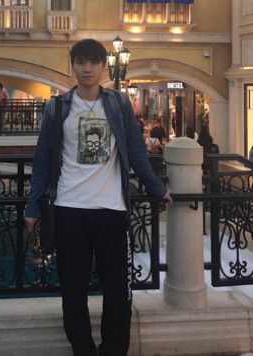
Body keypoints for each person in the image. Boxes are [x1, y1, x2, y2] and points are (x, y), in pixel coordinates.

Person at [25, 39, 172, 356]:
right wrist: (33, 205)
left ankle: (113, 350)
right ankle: (83, 350)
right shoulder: (57, 107)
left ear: (104, 66)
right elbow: (43, 160)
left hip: (111, 209)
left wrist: (156, 187)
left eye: (93, 62)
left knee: (118, 291)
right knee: (73, 291)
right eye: (81, 62)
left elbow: (136, 151)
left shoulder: (118, 104)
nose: (87, 68)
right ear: (73, 66)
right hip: (69, 209)